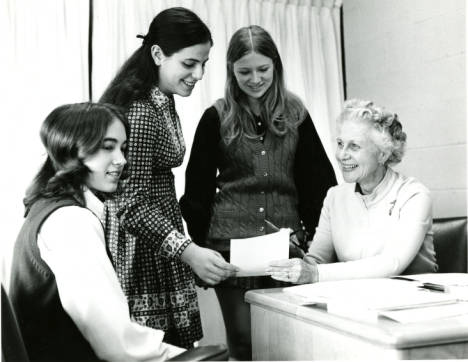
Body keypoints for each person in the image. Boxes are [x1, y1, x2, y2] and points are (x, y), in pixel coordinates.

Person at [180, 25, 337, 360]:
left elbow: (318, 184)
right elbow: (197, 191)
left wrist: (318, 244)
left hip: (287, 245)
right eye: (244, 71)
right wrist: (200, 249)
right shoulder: (216, 117)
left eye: (263, 69)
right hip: (231, 250)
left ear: (275, 67)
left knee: (290, 342)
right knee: (243, 341)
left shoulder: (296, 114)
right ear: (230, 71)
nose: (254, 79)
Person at [99, 7, 238, 349]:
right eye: (189, 64)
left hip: (159, 243)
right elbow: (130, 205)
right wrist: (188, 250)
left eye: (204, 64)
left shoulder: (162, 99)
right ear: (158, 54)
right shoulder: (143, 110)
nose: (199, 73)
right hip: (143, 252)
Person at [9, 102, 185, 361]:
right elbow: (118, 345)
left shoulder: (44, 208)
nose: (122, 160)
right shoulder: (70, 222)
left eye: (123, 149)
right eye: (107, 147)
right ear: (71, 150)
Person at [267, 99, 438, 284]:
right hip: (356, 301)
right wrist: (296, 261)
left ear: (383, 154)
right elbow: (317, 260)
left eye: (354, 146)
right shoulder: (335, 196)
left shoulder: (414, 195)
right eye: (340, 144)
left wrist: (315, 273)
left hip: (415, 302)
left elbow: (392, 263)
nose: (342, 155)